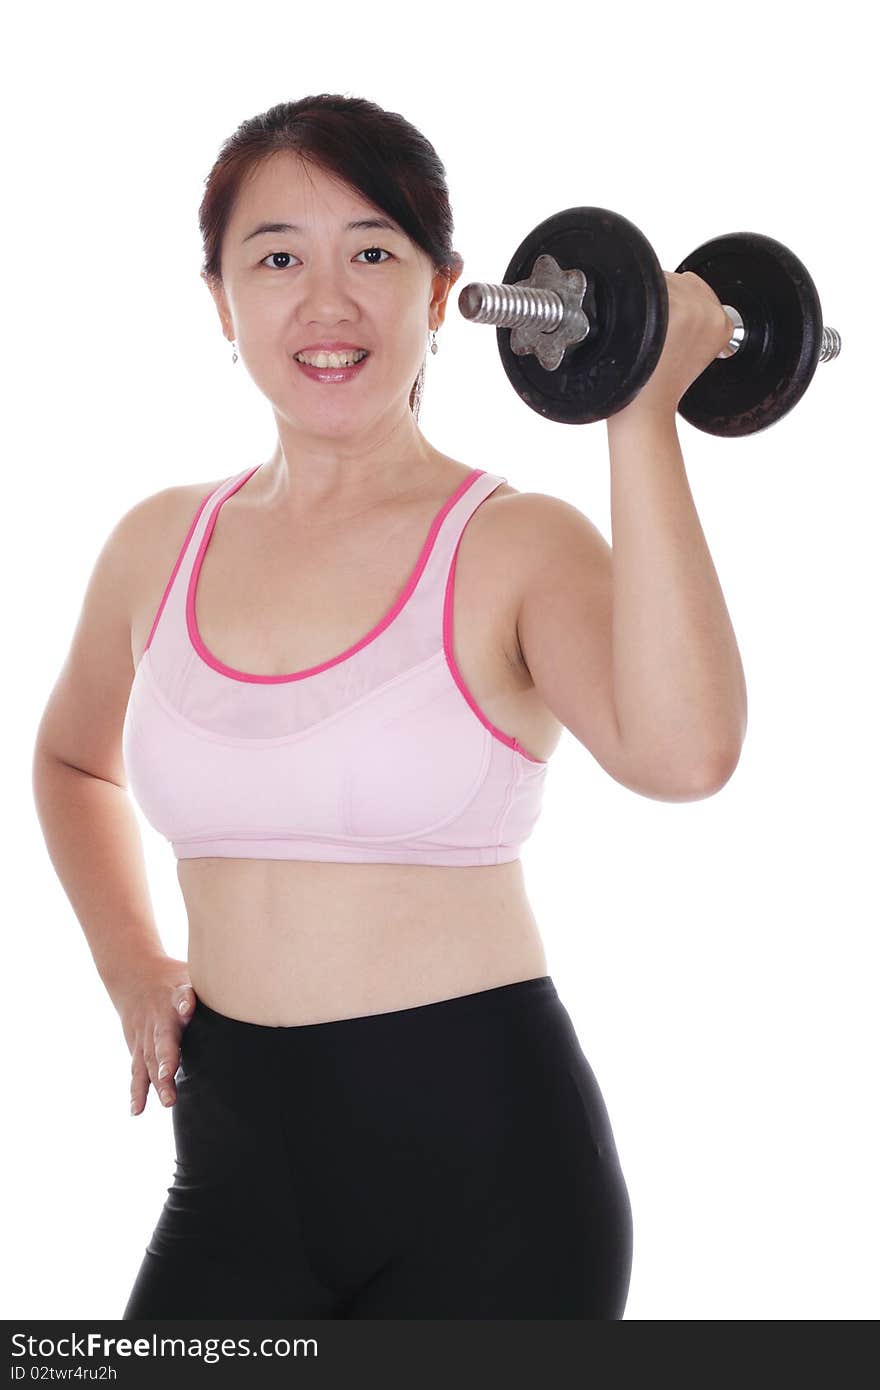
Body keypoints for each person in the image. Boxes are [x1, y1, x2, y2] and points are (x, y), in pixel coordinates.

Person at [31, 94, 745, 1320]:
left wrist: (639, 408)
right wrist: (128, 959)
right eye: (275, 259)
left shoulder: (515, 543)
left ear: (438, 293)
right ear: (220, 302)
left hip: (493, 1189)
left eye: (372, 252)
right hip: (234, 1178)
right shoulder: (159, 542)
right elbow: (68, 760)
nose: (326, 303)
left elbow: (684, 756)